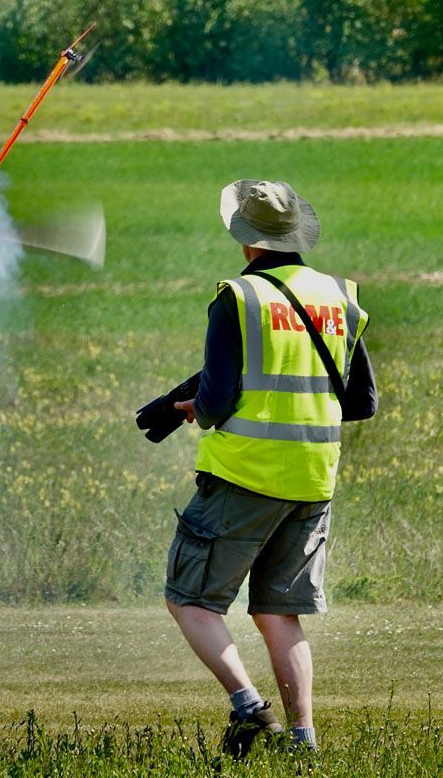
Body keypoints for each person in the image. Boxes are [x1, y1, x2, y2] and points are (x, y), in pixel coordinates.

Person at [147, 180, 377, 759]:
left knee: (191, 600)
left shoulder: (239, 297)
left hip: (245, 475)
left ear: (246, 240)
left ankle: (251, 710)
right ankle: (303, 742)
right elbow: (362, 402)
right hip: (314, 480)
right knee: (280, 612)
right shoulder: (340, 297)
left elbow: (216, 403)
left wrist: (188, 408)